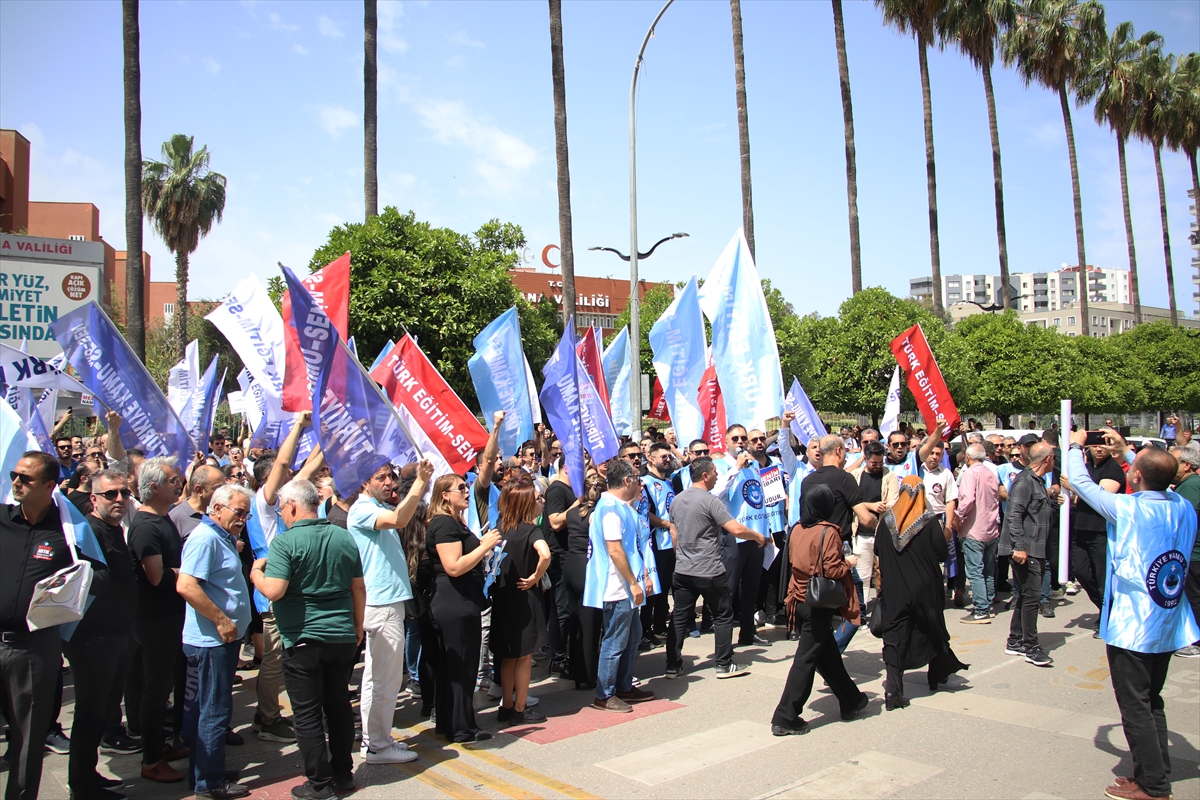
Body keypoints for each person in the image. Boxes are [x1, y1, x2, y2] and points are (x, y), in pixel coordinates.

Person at [1066, 429, 1198, 800]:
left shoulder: (1127, 507)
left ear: (1134, 475)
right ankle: (1153, 772)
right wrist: (1127, 450)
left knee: (1135, 705)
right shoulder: (1181, 505)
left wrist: (1075, 445)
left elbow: (1079, 481)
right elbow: (1160, 476)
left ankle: (1154, 786)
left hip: (1134, 625)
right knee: (1151, 700)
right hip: (1168, 619)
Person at [250, 480, 365, 800]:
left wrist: (256, 573)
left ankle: (318, 784)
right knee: (339, 706)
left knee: (309, 713)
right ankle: (343, 774)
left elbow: (274, 590)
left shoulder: (285, 543)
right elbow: (359, 588)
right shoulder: (344, 536)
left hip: (303, 639)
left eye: (282, 508)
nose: (282, 514)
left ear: (292, 506)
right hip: (341, 636)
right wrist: (357, 628)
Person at [1, 453, 105, 800]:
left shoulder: (67, 530)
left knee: (28, 738)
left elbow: (97, 573)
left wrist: (65, 593)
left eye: (24, 478)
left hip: (34, 647)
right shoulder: (2, 519)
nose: (16, 482)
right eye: (14, 475)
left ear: (49, 485)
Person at [347, 460, 432, 761]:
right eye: (380, 477)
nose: (388, 482)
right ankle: (378, 745)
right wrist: (420, 483)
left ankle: (376, 740)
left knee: (381, 677)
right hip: (381, 604)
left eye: (390, 476)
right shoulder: (363, 509)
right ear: (363, 483)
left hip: (386, 601)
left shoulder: (370, 507)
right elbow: (398, 519)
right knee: (384, 678)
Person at [770, 484, 869, 736]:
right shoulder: (829, 532)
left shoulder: (796, 529)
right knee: (806, 660)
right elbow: (833, 570)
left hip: (798, 600)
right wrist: (849, 562)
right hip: (818, 604)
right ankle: (786, 715)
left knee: (828, 656)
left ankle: (851, 700)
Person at [176, 484, 253, 800]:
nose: (242, 519)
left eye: (246, 514)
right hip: (212, 641)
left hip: (218, 640)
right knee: (213, 710)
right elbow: (186, 585)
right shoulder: (205, 538)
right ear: (217, 508)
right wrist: (221, 620)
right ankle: (208, 782)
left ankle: (205, 772)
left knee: (206, 709)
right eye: (238, 512)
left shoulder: (217, 536)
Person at [65, 470, 137, 800]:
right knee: (90, 712)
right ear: (94, 499)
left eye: (124, 492)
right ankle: (83, 786)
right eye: (111, 494)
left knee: (103, 710)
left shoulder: (114, 529)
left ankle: (90, 774)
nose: (120, 499)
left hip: (117, 634)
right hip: (94, 639)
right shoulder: (88, 532)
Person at [665, 457, 767, 680]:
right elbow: (736, 529)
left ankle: (673, 665)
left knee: (679, 616)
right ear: (704, 475)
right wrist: (757, 536)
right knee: (722, 615)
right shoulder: (711, 501)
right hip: (709, 569)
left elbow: (674, 534)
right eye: (714, 471)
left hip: (683, 569)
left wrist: (681, 556)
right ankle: (723, 663)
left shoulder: (677, 500)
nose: (717, 475)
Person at [874, 477, 969, 709]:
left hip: (895, 589)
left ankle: (893, 691)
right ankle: (936, 675)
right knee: (932, 628)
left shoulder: (886, 522)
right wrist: (948, 528)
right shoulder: (928, 521)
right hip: (926, 588)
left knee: (894, 637)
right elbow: (940, 554)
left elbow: (877, 550)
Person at [128, 456, 190, 783]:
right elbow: (155, 576)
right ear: (152, 487)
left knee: (164, 685)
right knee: (156, 692)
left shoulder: (162, 519)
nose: (178, 484)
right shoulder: (145, 527)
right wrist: (190, 573)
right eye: (171, 481)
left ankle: (160, 746)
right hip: (156, 621)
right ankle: (151, 760)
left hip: (171, 617)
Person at [427, 473, 499, 742]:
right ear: (445, 495)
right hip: (454, 601)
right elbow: (454, 566)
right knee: (462, 665)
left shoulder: (451, 522)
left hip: (459, 599)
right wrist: (484, 547)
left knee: (454, 664)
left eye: (466, 488)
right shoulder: (445, 524)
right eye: (460, 488)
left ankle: (451, 722)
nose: (466, 492)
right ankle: (462, 727)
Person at [584, 458, 656, 712]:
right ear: (626, 481)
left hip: (627, 584)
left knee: (633, 634)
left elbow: (633, 547)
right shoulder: (610, 509)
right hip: (616, 585)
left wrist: (644, 575)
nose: (638, 484)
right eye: (636, 479)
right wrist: (634, 583)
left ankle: (624, 685)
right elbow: (615, 550)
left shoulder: (623, 506)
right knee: (615, 640)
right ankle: (604, 694)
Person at [492, 477, 551, 727]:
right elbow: (545, 553)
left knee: (508, 655)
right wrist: (536, 576)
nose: (542, 502)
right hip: (525, 597)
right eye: (537, 498)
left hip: (504, 595)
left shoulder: (500, 526)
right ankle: (520, 707)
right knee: (524, 656)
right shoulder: (532, 529)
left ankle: (506, 705)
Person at [711, 425, 775, 647]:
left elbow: (760, 500)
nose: (740, 442)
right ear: (726, 441)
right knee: (729, 589)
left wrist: (766, 532)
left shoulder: (755, 466)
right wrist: (735, 468)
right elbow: (715, 494)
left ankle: (748, 632)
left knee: (751, 588)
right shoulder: (720, 465)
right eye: (735, 438)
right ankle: (724, 639)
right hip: (734, 538)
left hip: (756, 536)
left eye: (743, 438)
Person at [999, 442, 1056, 667]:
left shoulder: (1037, 481)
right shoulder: (1025, 481)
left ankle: (1014, 640)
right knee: (1032, 597)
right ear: (1047, 459)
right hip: (1027, 549)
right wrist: (1019, 547)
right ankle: (1030, 645)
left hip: (1037, 547)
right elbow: (1014, 516)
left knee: (1025, 595)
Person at [1067, 435, 1126, 634]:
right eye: (1094, 445)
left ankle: (1110, 616)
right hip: (1082, 529)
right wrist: (1070, 498)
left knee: (1103, 578)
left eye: (1103, 445)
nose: (1099, 448)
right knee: (1081, 572)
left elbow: (1101, 497)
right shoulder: (1088, 466)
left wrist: (1075, 487)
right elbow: (1081, 499)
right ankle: (1106, 608)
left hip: (1102, 532)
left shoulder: (1113, 469)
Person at [561, 473, 607, 688]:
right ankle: (588, 674)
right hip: (588, 567)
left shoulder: (571, 514)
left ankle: (576, 670)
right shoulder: (598, 514)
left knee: (575, 620)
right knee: (590, 623)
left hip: (571, 566)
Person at [952, 444, 1001, 623]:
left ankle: (981, 609)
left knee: (975, 571)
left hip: (974, 529)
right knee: (987, 569)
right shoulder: (990, 473)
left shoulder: (970, 473)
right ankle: (987, 603)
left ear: (967, 458)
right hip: (991, 529)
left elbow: (967, 499)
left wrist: (957, 517)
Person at [639, 442, 676, 646]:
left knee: (666, 586)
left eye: (669, 456)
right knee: (653, 589)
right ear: (651, 459)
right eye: (663, 456)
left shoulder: (670, 482)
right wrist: (668, 524)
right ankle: (646, 628)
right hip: (656, 543)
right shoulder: (645, 483)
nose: (667, 460)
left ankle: (661, 624)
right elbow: (647, 512)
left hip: (670, 543)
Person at [1168, 446, 1200, 659]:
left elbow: (1189, 519)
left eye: (1175, 462)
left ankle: (1195, 641)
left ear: (1187, 465)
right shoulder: (1185, 484)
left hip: (1194, 553)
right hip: (1191, 552)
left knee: (1193, 597)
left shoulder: (1191, 486)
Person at [171, 466, 226, 542]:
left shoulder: (219, 512)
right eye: (218, 488)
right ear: (199, 490)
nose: (223, 493)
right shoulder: (176, 519)